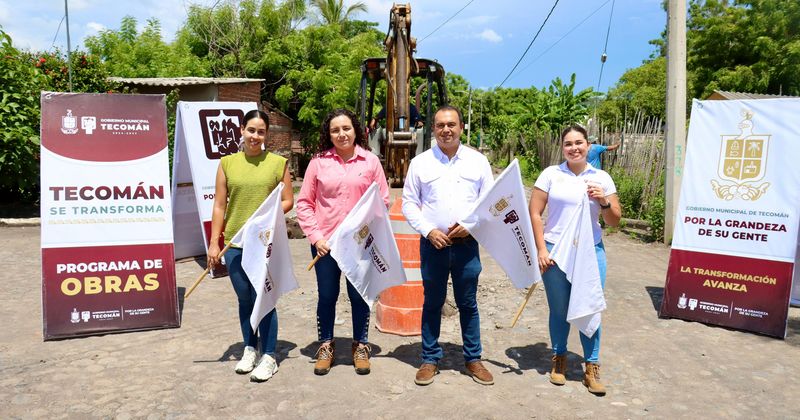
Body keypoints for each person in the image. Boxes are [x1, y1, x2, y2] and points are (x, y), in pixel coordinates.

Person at [401, 105, 495, 386]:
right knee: (432, 302)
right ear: (434, 129)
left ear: (461, 127)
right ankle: (429, 358)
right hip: (434, 245)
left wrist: (473, 224)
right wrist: (429, 230)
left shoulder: (478, 162)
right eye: (440, 125)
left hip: (466, 245)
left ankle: (473, 358)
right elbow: (408, 202)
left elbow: (490, 201)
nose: (446, 130)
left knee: (468, 303)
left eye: (451, 124)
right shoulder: (421, 163)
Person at [528, 124, 622, 396]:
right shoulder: (550, 175)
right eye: (568, 143)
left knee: (589, 306)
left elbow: (615, 221)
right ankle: (559, 358)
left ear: (588, 145)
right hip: (555, 251)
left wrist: (604, 202)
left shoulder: (602, 177)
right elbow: (535, 213)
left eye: (579, 142)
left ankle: (591, 366)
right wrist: (541, 250)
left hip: (591, 252)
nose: (574, 148)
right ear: (562, 147)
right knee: (559, 310)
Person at [296, 108, 390, 376]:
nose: (341, 134)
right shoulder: (318, 163)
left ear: (355, 130)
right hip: (325, 245)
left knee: (359, 296)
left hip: (359, 246)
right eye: (335, 130)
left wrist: (363, 232)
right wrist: (317, 237)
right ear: (329, 133)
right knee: (327, 296)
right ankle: (326, 345)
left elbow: (382, 202)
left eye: (346, 128)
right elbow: (304, 204)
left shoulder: (370, 162)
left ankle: (361, 345)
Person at [207, 109, 294, 382]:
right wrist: (214, 243)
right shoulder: (227, 163)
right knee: (245, 298)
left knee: (264, 299)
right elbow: (220, 205)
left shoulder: (278, 163)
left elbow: (288, 200)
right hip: (235, 242)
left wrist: (264, 218)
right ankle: (250, 348)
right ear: (241, 130)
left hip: (264, 244)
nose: (255, 136)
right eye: (251, 130)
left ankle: (269, 355)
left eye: (261, 132)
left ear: (266, 135)